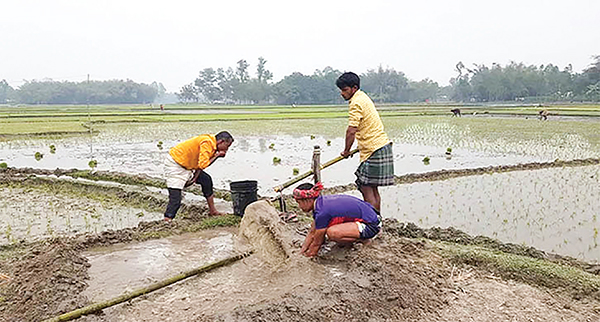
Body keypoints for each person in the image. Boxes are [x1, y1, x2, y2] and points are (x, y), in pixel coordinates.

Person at [336, 72, 394, 212]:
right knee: (372, 188)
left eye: (344, 90)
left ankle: (371, 223)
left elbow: (351, 130)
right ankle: (376, 221)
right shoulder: (363, 97)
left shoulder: (356, 102)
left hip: (373, 149)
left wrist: (346, 151)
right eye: (341, 90)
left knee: (365, 186)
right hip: (380, 146)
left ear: (354, 88)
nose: (342, 94)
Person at [293, 182, 381, 257]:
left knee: (332, 233)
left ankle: (363, 240)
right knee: (316, 226)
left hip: (371, 225)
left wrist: (309, 255)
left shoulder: (322, 212)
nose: (299, 207)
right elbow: (312, 231)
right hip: (371, 216)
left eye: (299, 203)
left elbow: (317, 243)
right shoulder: (321, 204)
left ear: (307, 200)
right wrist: (301, 252)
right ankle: (354, 236)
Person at [163, 131, 234, 221]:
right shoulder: (207, 143)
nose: (226, 149)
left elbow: (200, 165)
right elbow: (203, 165)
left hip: (188, 165)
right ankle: (167, 219)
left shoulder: (212, 145)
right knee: (175, 198)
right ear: (221, 142)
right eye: (227, 146)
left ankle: (213, 211)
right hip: (176, 165)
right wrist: (217, 156)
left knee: (206, 180)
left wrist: (195, 178)